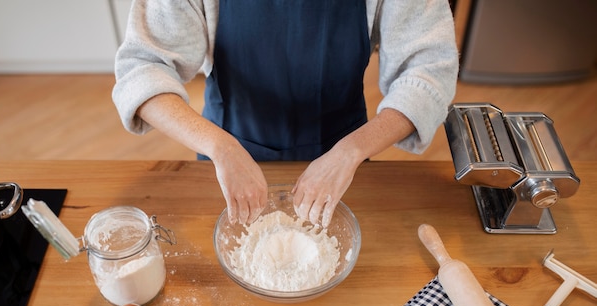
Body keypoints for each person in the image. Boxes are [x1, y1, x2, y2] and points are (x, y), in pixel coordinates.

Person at [112, 0, 459, 226]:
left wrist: (351, 151)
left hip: (344, 159)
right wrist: (221, 147)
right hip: (226, 155)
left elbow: (429, 71)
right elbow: (143, 68)